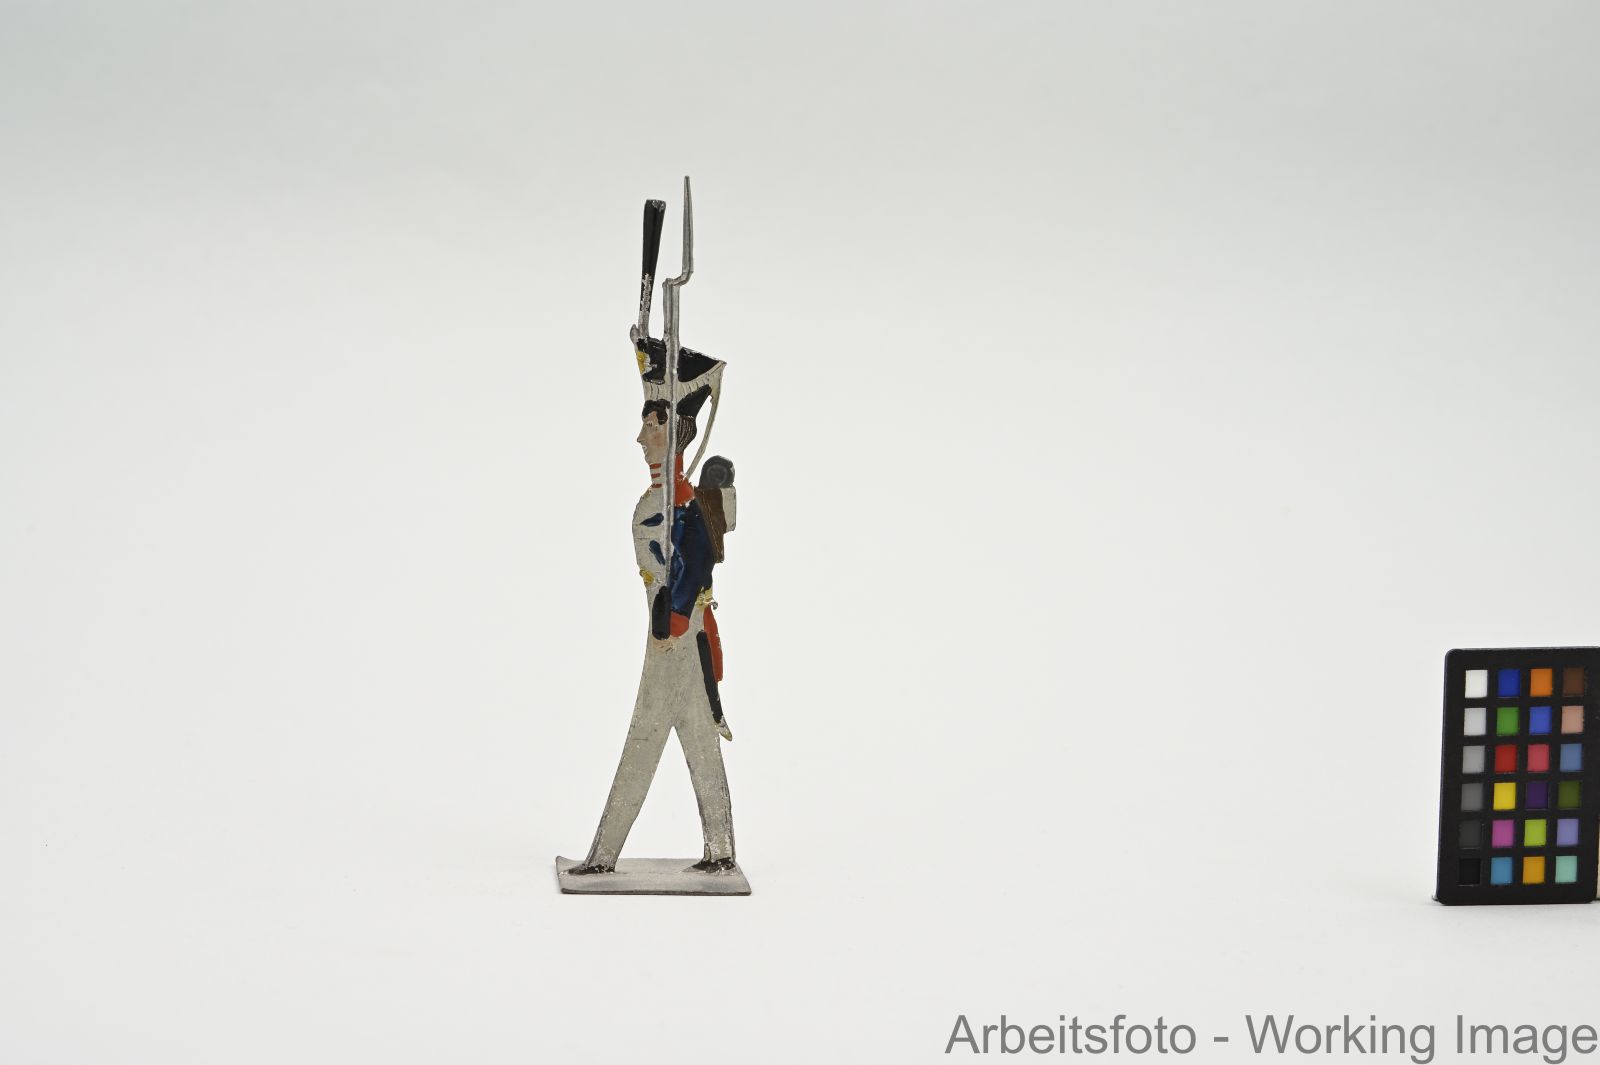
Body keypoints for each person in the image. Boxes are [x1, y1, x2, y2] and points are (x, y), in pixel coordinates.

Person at [568, 349, 738, 876]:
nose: (641, 438)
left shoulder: (679, 506)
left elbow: (695, 566)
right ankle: (721, 850)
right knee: (698, 742)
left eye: (651, 425)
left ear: (675, 432)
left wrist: (675, 620)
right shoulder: (658, 501)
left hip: (673, 637)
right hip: (668, 632)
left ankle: (603, 858)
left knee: (643, 741)